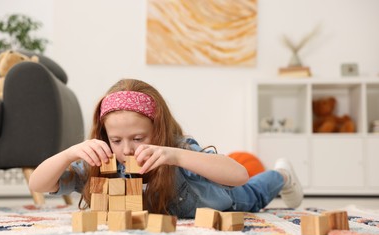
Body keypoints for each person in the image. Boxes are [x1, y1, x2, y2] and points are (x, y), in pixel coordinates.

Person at [29, 78, 303, 218]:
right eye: (116, 140)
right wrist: (69, 153)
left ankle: (283, 174)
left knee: (254, 193)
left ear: (157, 131)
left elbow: (239, 175)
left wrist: (174, 156)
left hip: (228, 200)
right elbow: (40, 185)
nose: (127, 150)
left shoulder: (177, 149)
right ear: (105, 136)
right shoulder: (100, 163)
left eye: (138, 138)